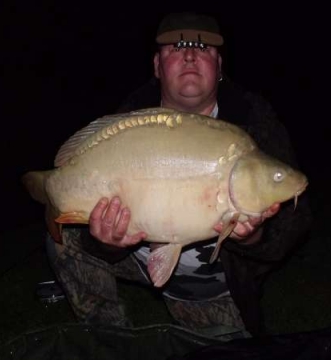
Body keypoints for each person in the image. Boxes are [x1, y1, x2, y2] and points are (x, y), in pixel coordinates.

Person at [46, 12, 312, 338]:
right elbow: (96, 221)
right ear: (157, 66)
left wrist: (254, 237)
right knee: (63, 240)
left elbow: (294, 228)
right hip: (136, 258)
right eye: (176, 47)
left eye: (202, 49)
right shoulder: (130, 120)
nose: (189, 55)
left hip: (209, 287)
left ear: (220, 66)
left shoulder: (254, 121)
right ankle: (110, 339)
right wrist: (108, 243)